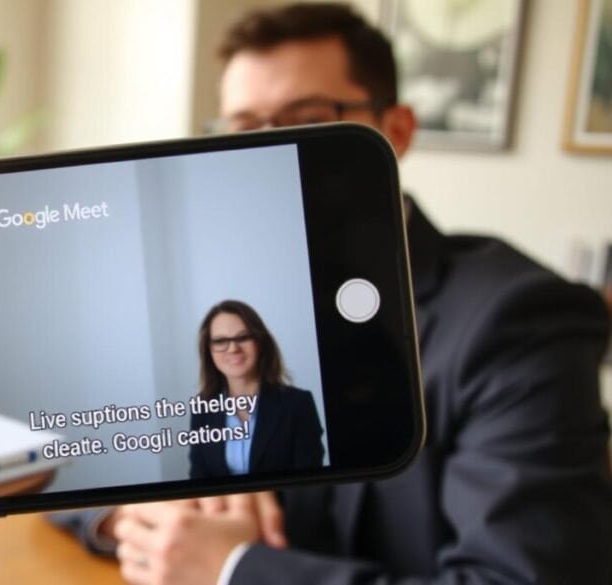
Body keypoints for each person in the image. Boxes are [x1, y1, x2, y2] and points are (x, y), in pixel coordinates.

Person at [51, 3, 612, 584]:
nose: (267, 152)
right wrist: (131, 516)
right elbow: (67, 454)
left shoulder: (519, 321)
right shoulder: (219, 300)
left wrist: (235, 569)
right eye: (244, 128)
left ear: (396, 131)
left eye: (308, 118)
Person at [189, 299, 323, 479]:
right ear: (209, 351)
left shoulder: (298, 404)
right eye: (220, 341)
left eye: (243, 337)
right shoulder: (202, 408)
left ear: (259, 343)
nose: (233, 348)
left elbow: (309, 483)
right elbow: (199, 479)